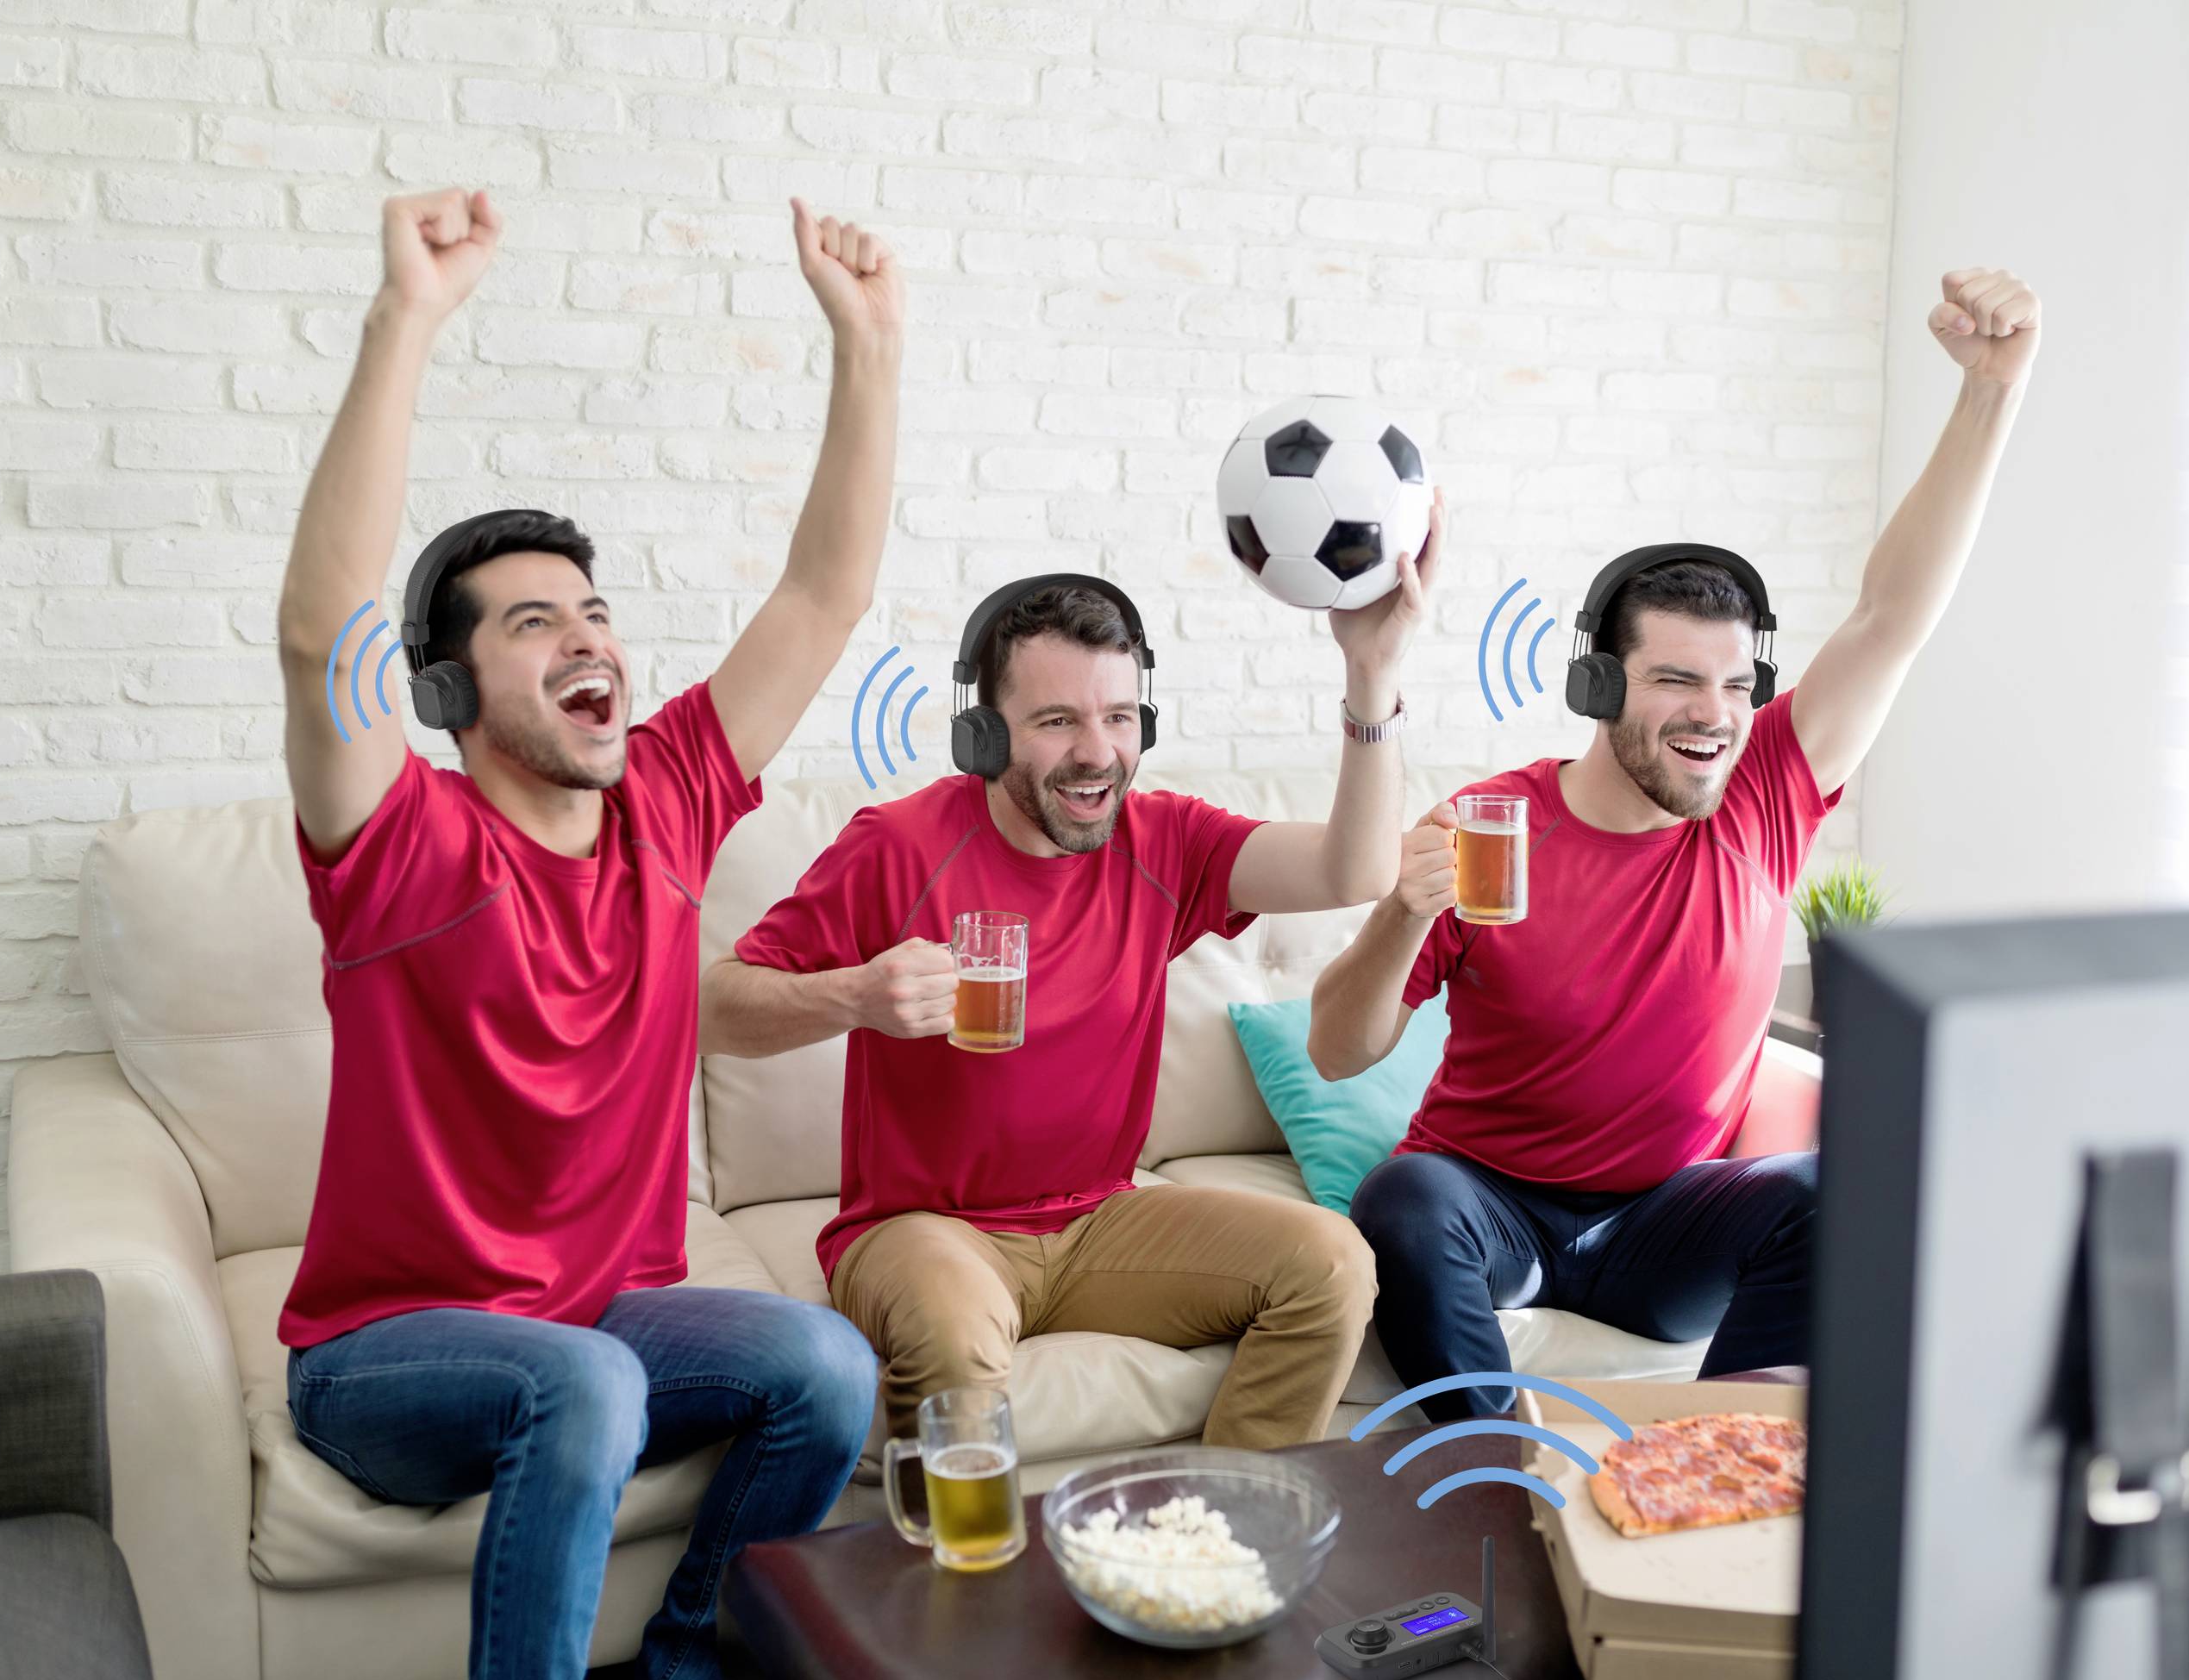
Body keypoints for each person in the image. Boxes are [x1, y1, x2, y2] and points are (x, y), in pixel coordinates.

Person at [271, 186, 904, 1680]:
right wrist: (404, 320)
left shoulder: (668, 805)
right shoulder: (404, 848)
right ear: (447, 693)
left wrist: (871, 348)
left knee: (825, 1368)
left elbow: (822, 601)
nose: (592, 641)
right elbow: (318, 636)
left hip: (598, 1318)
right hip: (386, 1359)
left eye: (599, 614)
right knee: (589, 1384)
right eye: (535, 622)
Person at [1310, 269, 2043, 1424]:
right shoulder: (1493, 827)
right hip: (1488, 1203)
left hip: (1668, 1225)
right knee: (1403, 1197)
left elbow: (1892, 618)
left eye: (1733, 684)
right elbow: (1341, 1050)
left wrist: (1993, 392)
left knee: (1836, 1188)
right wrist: (1402, 909)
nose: (1712, 712)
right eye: (1673, 680)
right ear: (1598, 685)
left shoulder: (1765, 791)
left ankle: (1722, 1474)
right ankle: (1494, 1482)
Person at [701, 499, 1448, 1450]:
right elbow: (714, 1007)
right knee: (954, 1341)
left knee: (1334, 1262)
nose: (1098, 752)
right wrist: (856, 996)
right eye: (1056, 720)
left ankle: (1217, 1535)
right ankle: (957, 1592)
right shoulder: (896, 845)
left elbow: (1356, 872)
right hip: (927, 1226)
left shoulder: (1165, 839)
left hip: (1103, 1220)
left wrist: (1371, 671)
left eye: (1120, 717)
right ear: (985, 736)